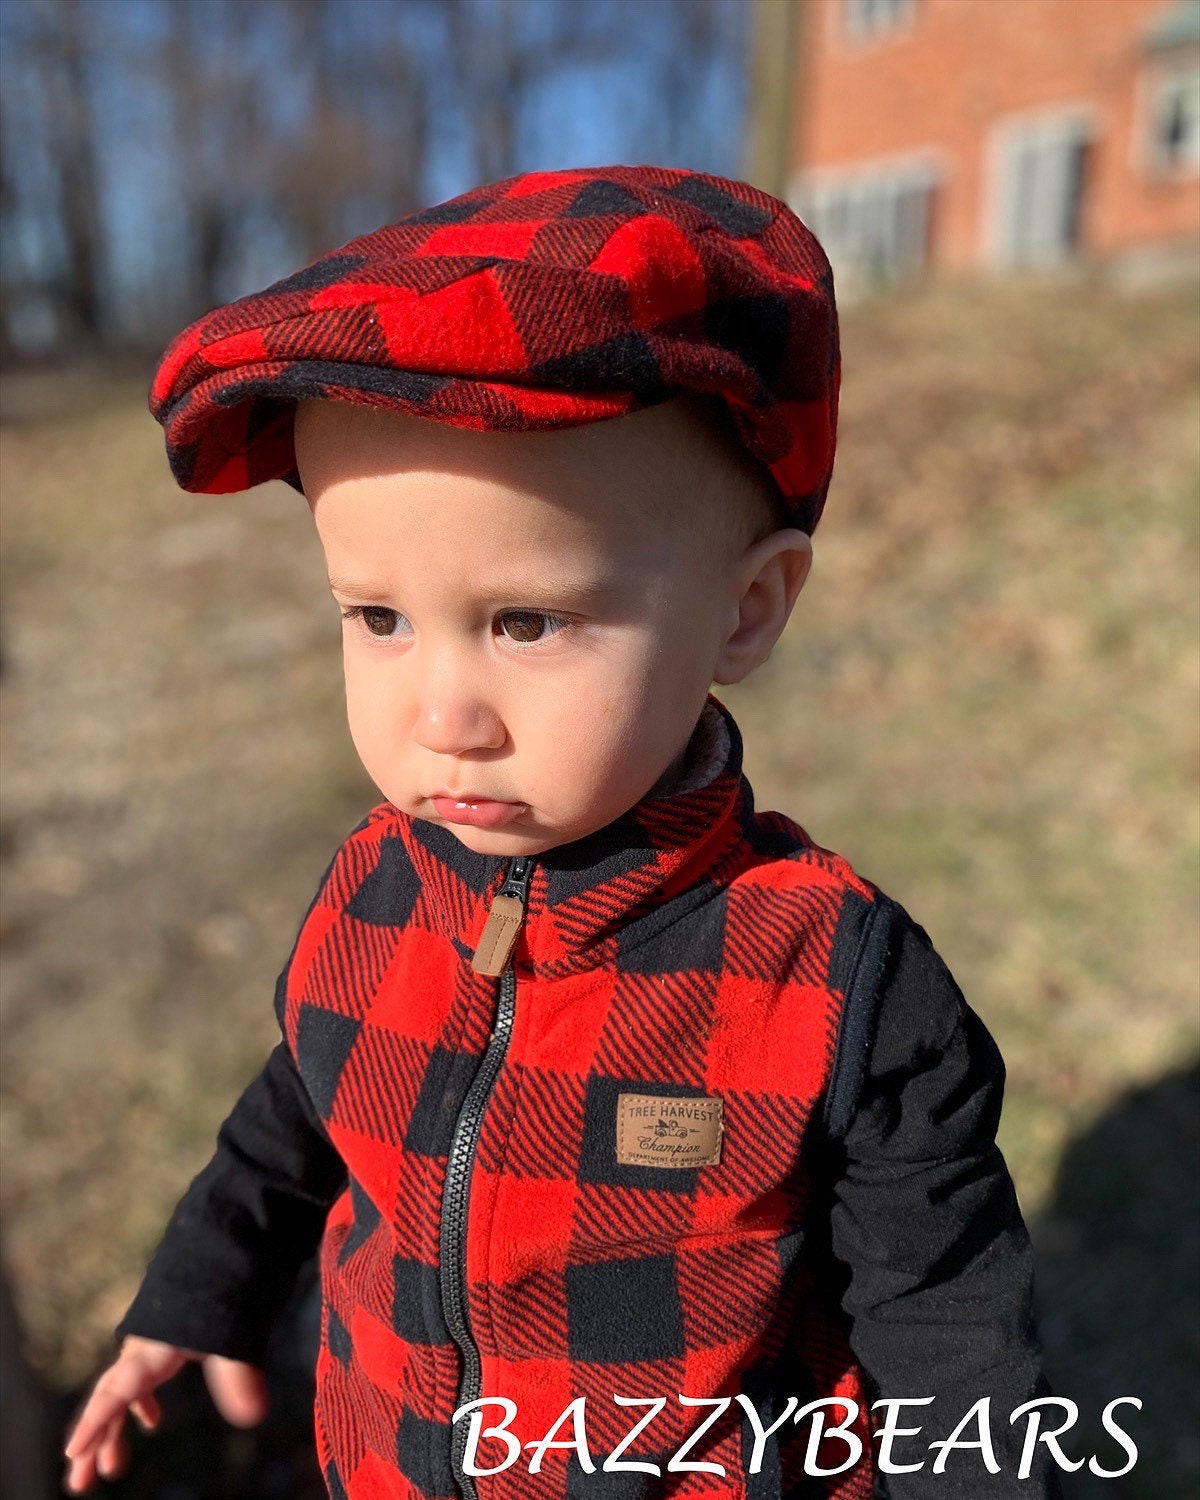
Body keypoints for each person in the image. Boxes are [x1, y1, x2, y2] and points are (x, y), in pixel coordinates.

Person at [63, 165, 1063, 1500]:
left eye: (526, 622)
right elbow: (300, 1107)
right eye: (378, 617)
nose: (443, 717)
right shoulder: (372, 887)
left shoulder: (831, 981)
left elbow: (946, 1318)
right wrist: (202, 1291)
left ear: (747, 611)